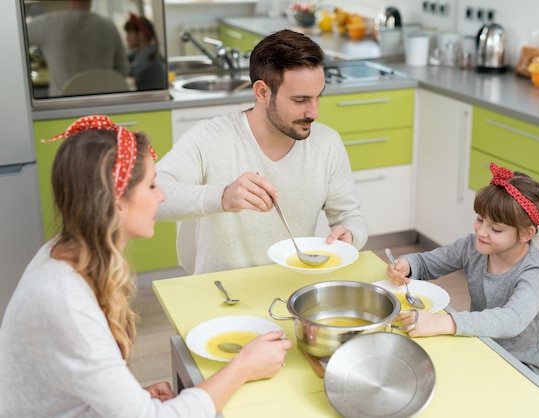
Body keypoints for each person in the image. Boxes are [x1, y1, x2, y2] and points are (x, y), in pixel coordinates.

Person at [0, 116, 293, 417]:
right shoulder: (65, 300)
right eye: (151, 185)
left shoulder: (67, 251)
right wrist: (243, 366)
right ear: (117, 201)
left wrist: (132, 396)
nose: (162, 195)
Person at [156, 29, 368, 274]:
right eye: (300, 100)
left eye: (318, 97)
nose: (314, 113)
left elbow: (350, 217)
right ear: (263, 92)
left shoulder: (327, 143)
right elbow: (154, 194)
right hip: (222, 292)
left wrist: (350, 234)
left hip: (292, 288)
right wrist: (222, 197)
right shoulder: (210, 137)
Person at [387, 162, 539, 382]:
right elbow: (429, 263)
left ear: (525, 234)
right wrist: (406, 265)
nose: (481, 231)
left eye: (495, 228)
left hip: (523, 370)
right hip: (481, 347)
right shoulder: (472, 247)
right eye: (480, 219)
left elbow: (511, 319)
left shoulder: (537, 273)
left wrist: (443, 322)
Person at [26, 0, 128, 96]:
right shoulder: (109, 26)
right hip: (103, 105)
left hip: (61, 108)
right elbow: (122, 70)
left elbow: (14, 41)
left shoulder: (47, 23)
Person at [124, 13, 167, 91]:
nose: (127, 38)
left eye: (129, 33)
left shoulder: (148, 55)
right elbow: (125, 58)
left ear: (141, 34)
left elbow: (128, 71)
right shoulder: (141, 52)